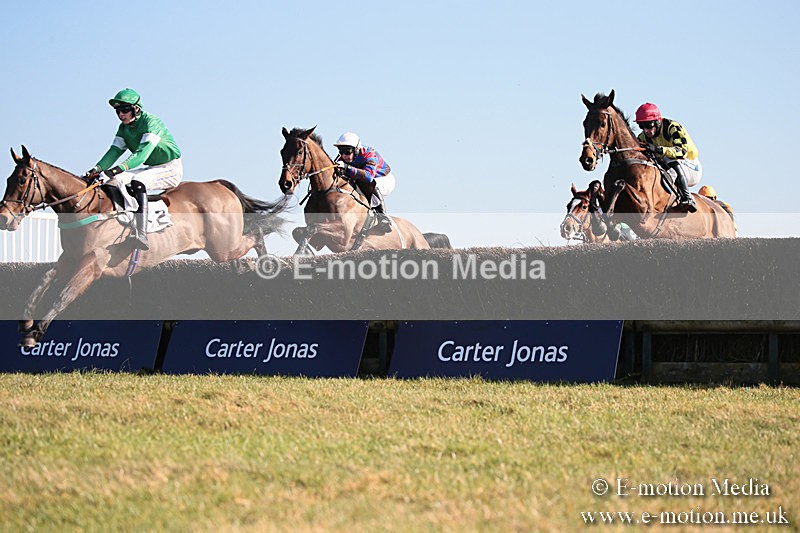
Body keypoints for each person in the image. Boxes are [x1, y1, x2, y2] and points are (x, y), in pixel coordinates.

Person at [84, 88, 182, 250]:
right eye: (118, 111)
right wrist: (95, 169)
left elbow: (141, 155)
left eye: (125, 110)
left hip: (170, 168)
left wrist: (115, 169)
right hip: (151, 167)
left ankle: (141, 233)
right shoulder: (124, 128)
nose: (121, 115)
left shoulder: (151, 122)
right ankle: (124, 221)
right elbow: (114, 152)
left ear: (136, 108)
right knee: (113, 181)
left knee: (137, 180)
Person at [635, 102, 701, 213]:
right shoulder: (643, 137)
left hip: (691, 166)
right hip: (670, 167)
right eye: (641, 126)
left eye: (648, 125)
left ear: (657, 121)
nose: (646, 130)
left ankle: (687, 198)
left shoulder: (672, 127)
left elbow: (682, 151)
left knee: (669, 160)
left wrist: (658, 149)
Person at [333, 132, 395, 232]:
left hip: (384, 179)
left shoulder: (370, 153)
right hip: (363, 181)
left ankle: (383, 217)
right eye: (341, 151)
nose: (344, 155)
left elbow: (369, 176)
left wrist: (347, 167)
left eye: (347, 151)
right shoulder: (343, 158)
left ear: (356, 149)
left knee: (368, 183)